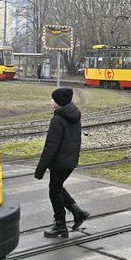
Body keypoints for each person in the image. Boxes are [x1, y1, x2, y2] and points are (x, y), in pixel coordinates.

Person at [34, 88, 90, 238]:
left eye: (53, 99)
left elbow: (51, 146)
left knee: (54, 191)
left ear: (59, 102)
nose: (50, 101)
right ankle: (78, 212)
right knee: (57, 187)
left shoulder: (58, 119)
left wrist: (40, 169)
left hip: (60, 161)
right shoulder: (73, 115)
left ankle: (60, 226)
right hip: (70, 160)